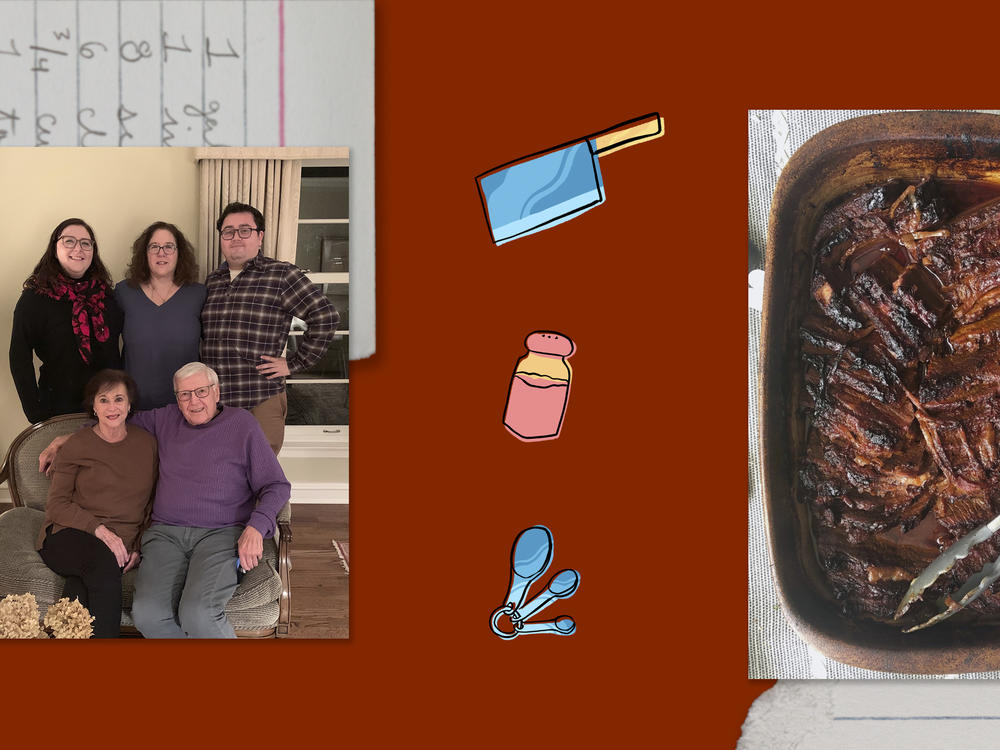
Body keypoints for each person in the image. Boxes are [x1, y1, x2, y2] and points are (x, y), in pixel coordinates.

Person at [201, 201, 339, 453]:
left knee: (261, 481)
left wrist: (294, 363)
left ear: (260, 236)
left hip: (260, 399)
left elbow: (326, 316)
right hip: (217, 404)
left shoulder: (281, 275)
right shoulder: (212, 281)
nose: (235, 237)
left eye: (245, 230)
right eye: (228, 231)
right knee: (220, 478)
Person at [37, 370, 157, 639]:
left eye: (118, 399)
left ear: (129, 404)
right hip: (67, 535)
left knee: (79, 589)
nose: (112, 407)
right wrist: (100, 531)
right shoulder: (77, 444)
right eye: (103, 400)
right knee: (102, 563)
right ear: (93, 406)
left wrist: (139, 544)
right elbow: (56, 505)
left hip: (120, 544)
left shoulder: (148, 445)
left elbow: (152, 503)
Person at [10, 218, 123, 424]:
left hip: (108, 410)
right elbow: (19, 357)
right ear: (54, 248)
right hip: (57, 409)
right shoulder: (35, 298)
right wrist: (34, 410)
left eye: (85, 243)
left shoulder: (107, 296)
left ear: (93, 251)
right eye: (69, 241)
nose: (78, 249)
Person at [115, 221, 206, 409]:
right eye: (154, 247)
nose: (161, 253)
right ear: (144, 253)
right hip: (134, 406)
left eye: (169, 247)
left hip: (187, 406)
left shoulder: (199, 294)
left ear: (179, 253)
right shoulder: (124, 292)